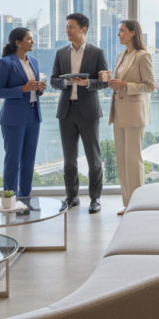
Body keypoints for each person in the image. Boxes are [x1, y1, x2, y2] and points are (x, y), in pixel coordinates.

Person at [51, 13, 109, 213]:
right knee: (69, 159)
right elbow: (53, 80)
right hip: (66, 112)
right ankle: (72, 197)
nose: (67, 30)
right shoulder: (60, 53)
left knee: (94, 159)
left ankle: (95, 199)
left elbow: (105, 82)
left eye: (71, 27)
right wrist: (66, 81)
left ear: (83, 29)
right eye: (67, 27)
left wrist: (88, 83)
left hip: (89, 112)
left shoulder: (97, 53)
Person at [106, 19, 155, 215]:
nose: (119, 34)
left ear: (133, 32)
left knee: (133, 160)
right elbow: (120, 82)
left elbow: (150, 86)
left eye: (122, 30)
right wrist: (112, 82)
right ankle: (128, 204)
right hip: (118, 112)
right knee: (122, 159)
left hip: (134, 114)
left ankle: (138, 204)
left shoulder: (143, 56)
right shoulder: (120, 56)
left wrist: (125, 85)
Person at [0, 28, 46, 198]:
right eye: (29, 39)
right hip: (13, 118)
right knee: (13, 162)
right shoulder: (6, 62)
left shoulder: (34, 62)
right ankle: (9, 200)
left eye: (32, 39)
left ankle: (25, 198)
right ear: (18, 42)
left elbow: (33, 89)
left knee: (29, 162)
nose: (33, 42)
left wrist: (40, 89)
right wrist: (23, 89)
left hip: (33, 116)